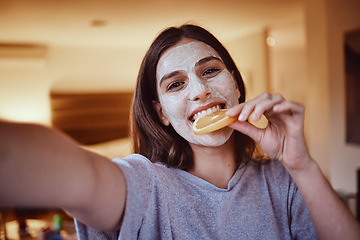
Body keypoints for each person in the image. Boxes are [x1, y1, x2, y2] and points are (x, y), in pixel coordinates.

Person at [0, 24, 359, 240]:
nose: (199, 91)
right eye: (175, 85)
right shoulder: (145, 185)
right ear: (162, 115)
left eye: (210, 71)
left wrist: (302, 165)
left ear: (235, 84)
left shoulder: (284, 182)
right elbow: (77, 174)